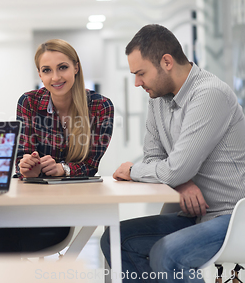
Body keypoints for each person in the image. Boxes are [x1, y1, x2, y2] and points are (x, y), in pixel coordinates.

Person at [101, 24, 245, 283]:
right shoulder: (157, 99)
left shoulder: (209, 94)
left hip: (233, 218)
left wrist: (134, 171)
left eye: (141, 73)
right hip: (193, 214)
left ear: (166, 62)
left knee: (169, 255)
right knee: (116, 239)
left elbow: (174, 168)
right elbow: (155, 158)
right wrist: (182, 183)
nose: (136, 83)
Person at [0, 39, 114, 253]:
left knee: (2, 242)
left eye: (63, 67)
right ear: (40, 74)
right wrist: (29, 167)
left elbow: (91, 164)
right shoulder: (28, 102)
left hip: (65, 206)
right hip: (26, 204)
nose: (55, 77)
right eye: (47, 70)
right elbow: (23, 158)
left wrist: (61, 169)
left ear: (76, 67)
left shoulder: (100, 106)